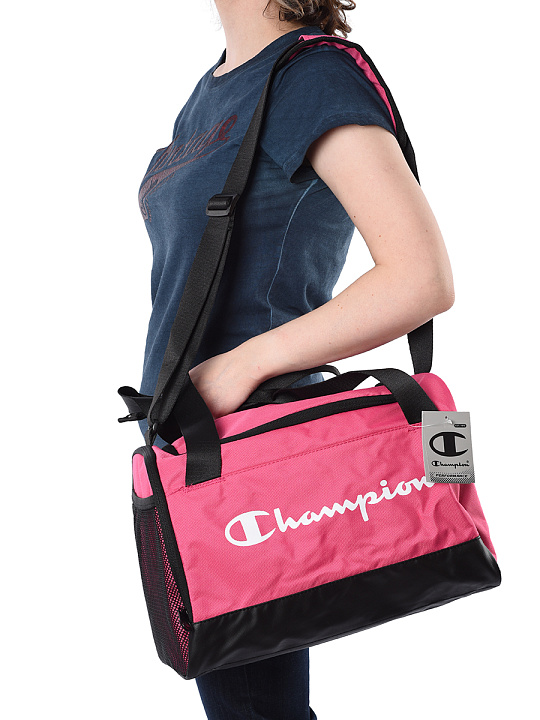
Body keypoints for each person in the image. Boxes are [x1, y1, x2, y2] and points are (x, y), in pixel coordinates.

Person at [136, 1, 455, 718]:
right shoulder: (214, 89)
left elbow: (421, 278)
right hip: (192, 452)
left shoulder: (312, 76)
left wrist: (243, 364)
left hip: (251, 456)